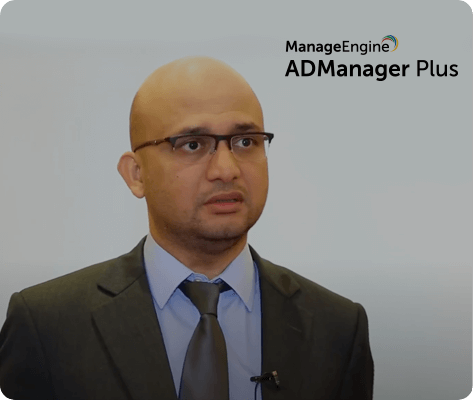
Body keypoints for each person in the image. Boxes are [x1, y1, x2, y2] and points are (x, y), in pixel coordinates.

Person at [0, 56, 374, 400]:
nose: (227, 169)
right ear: (136, 174)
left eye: (246, 141)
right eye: (193, 144)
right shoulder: (46, 325)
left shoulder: (338, 327)